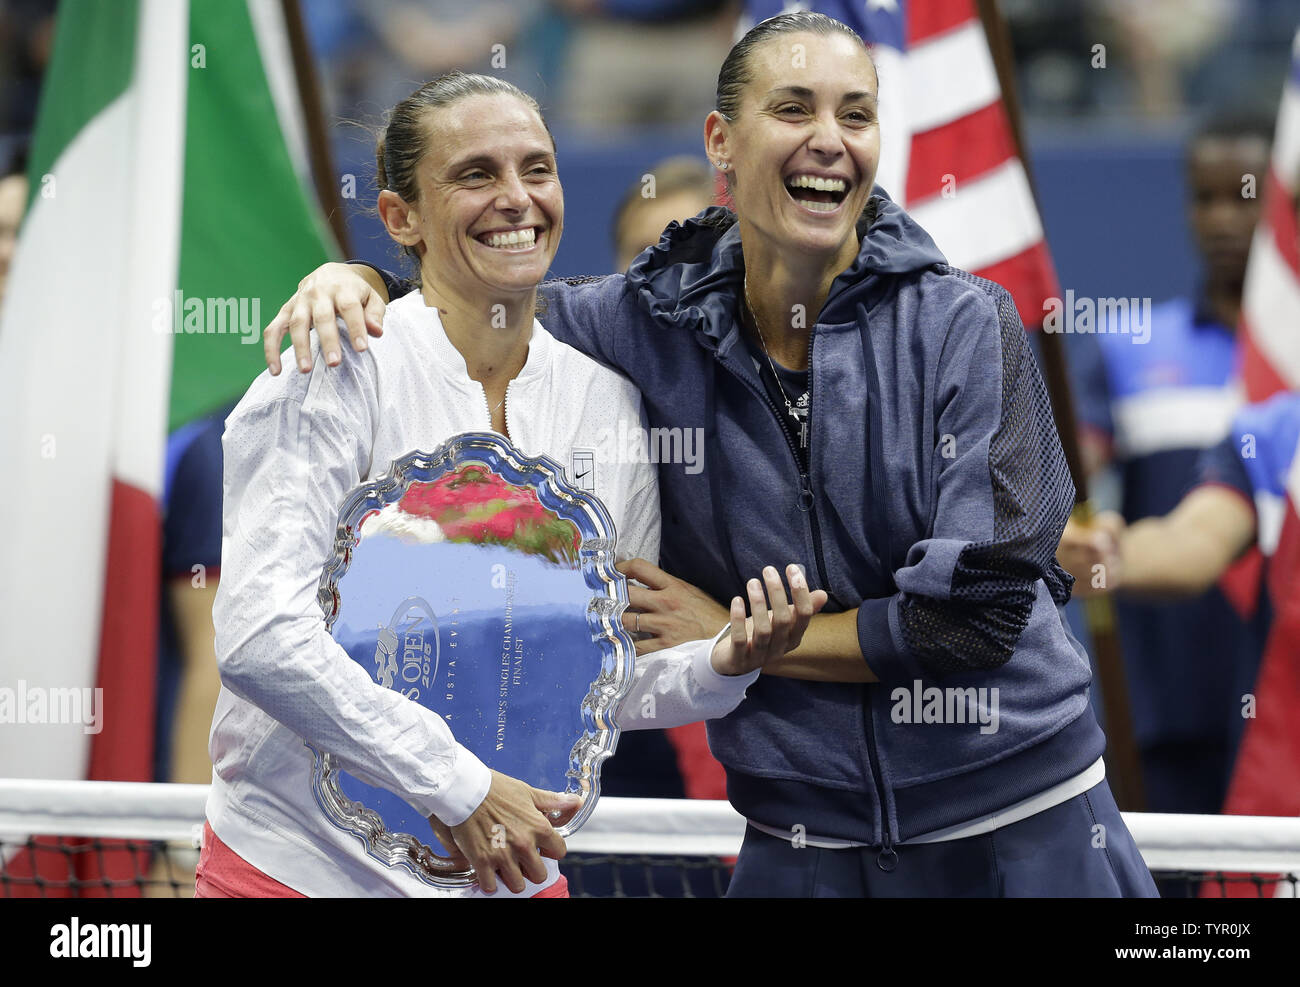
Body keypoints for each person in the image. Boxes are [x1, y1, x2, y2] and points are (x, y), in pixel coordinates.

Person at [263, 12, 1157, 897]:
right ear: (720, 140)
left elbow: (975, 618)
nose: (829, 141)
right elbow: (481, 285)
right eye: (795, 109)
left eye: (856, 115)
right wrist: (362, 281)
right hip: (797, 837)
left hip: (1024, 825)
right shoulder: (637, 321)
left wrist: (747, 640)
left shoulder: (969, 323)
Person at [202, 72, 823, 900]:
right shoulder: (332, 368)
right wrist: (456, 784)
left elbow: (595, 677)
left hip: (510, 874)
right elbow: (259, 637)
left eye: (537, 169)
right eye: (475, 175)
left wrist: (722, 663)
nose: (516, 198)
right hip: (296, 872)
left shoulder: (608, 402)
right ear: (400, 218)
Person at [1061, 115, 1272, 816]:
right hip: (1167, 695)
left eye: (1244, 196)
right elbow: (1068, 477)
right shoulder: (1128, 345)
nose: (1221, 219)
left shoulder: (1287, 365)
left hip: (1281, 692)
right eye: (1204, 197)